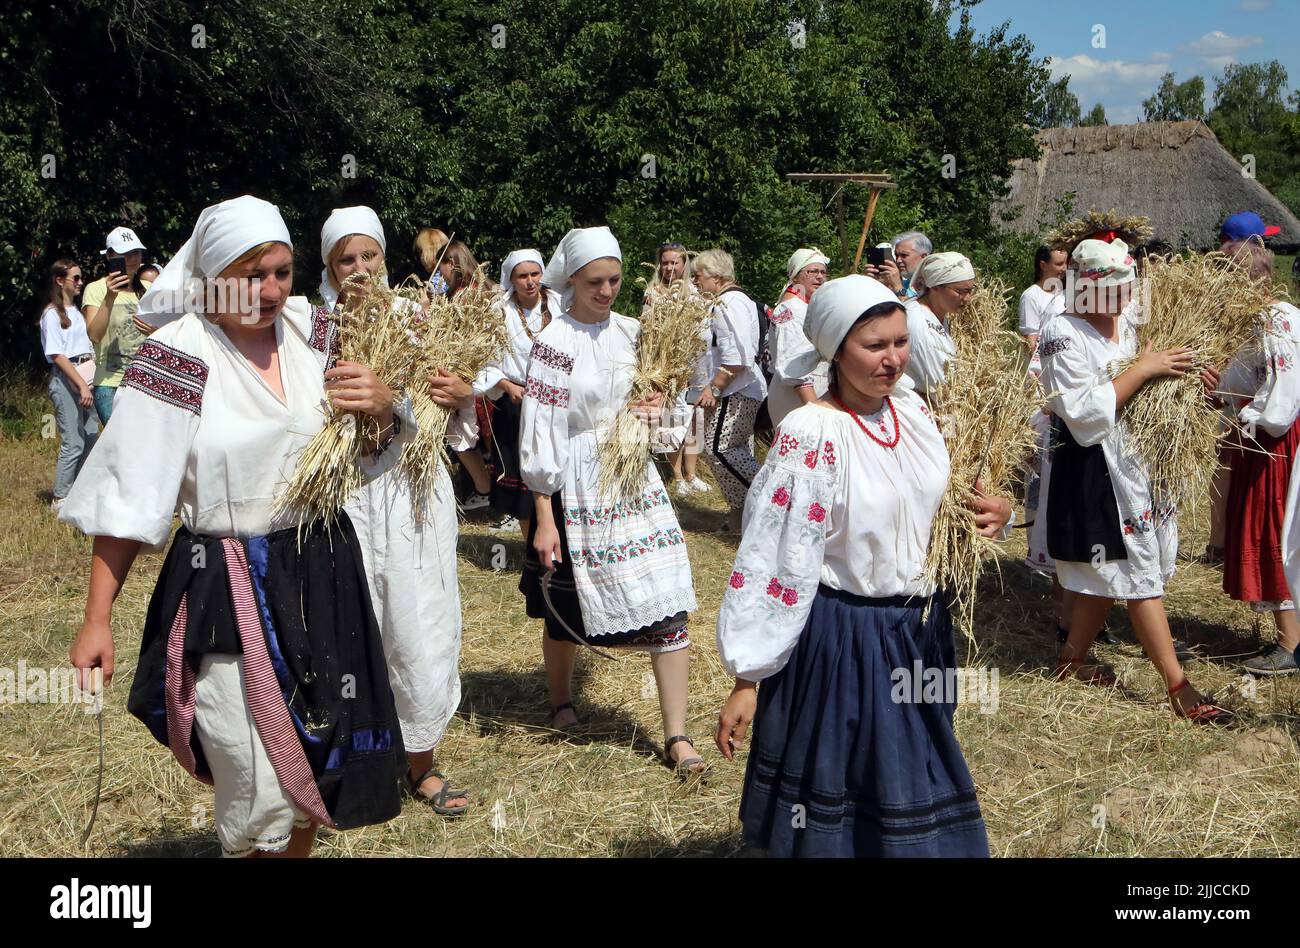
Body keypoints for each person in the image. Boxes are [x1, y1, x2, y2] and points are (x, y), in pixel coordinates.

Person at [63, 195, 412, 856]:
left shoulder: (317, 333)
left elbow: (367, 451)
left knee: (316, 759)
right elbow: (129, 495)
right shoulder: (178, 357)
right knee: (255, 777)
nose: (272, 289)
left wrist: (383, 408)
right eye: (253, 275)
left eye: (282, 271)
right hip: (227, 583)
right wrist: (96, 617)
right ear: (212, 275)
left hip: (321, 573)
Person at [714, 274, 1012, 857]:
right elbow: (774, 555)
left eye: (900, 342)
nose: (892, 359)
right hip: (847, 636)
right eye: (874, 346)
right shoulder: (810, 434)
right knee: (851, 775)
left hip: (921, 628)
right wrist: (748, 677)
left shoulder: (913, 412)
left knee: (917, 762)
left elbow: (933, 503)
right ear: (834, 349)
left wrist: (993, 511)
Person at [518, 226, 705, 774]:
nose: (606, 290)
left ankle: (676, 735)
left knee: (668, 599)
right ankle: (561, 700)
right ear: (571, 280)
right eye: (595, 281)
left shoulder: (636, 332)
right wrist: (544, 518)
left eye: (615, 280)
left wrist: (659, 413)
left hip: (634, 481)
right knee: (563, 607)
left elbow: (674, 424)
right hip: (576, 483)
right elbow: (542, 432)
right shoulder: (554, 345)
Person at [318, 206, 472, 813]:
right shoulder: (311, 328)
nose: (359, 270)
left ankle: (421, 763)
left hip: (411, 495)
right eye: (344, 260)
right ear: (330, 269)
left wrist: (412, 400)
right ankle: (350, 763)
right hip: (346, 495)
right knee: (349, 624)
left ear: (386, 259)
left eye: (369, 257)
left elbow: (450, 411)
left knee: (415, 621)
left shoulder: (419, 318)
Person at [1038, 238, 1227, 722]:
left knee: (1109, 572)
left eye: (1128, 287)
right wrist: (1143, 369)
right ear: (1086, 288)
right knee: (1137, 572)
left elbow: (1164, 389)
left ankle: (1070, 662)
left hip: (1142, 462)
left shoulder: (1133, 319)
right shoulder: (1061, 331)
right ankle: (1178, 687)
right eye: (1115, 289)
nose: (1125, 297)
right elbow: (1079, 411)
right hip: (1099, 466)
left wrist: (1197, 387)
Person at [1204, 243, 1300, 676]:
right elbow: (1244, 378)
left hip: (1276, 442)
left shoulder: (1279, 319)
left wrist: (1246, 414)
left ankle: (1291, 643)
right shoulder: (1253, 320)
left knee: (1275, 528)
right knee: (1269, 527)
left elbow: (1281, 400)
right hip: (1259, 435)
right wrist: (1218, 388)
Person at [474, 249, 564, 532]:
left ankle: (560, 539)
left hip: (557, 401)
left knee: (556, 468)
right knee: (521, 474)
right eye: (522, 276)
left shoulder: (560, 305)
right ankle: (529, 546)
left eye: (535, 274)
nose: (530, 281)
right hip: (516, 403)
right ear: (511, 279)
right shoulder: (500, 311)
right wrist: (507, 385)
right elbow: (482, 358)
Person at [693, 249, 767, 531]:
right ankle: (741, 515)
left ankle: (774, 495)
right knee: (735, 450)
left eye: (699, 276)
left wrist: (714, 387)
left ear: (716, 276)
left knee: (718, 449)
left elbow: (736, 356)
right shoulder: (726, 301)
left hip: (735, 389)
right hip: (732, 388)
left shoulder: (729, 303)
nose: (696, 282)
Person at [1021, 246, 1071, 629]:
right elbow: (1033, 346)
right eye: (1059, 263)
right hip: (1047, 396)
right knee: (1044, 477)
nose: (1064, 267)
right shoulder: (1040, 301)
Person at [642, 242, 709, 496]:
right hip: (669, 367)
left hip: (695, 365)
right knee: (674, 420)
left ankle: (692, 474)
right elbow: (649, 332)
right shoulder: (653, 293)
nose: (670, 267)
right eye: (666, 262)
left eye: (675, 262)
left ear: (684, 264)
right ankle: (677, 475)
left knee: (695, 420)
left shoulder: (695, 292)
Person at [38, 258, 98, 510]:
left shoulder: (77, 313)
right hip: (67, 379)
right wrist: (80, 385)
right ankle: (61, 496)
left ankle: (80, 489)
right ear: (59, 281)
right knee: (73, 441)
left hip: (86, 374)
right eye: (76, 278)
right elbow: (57, 354)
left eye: (81, 278)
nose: (80, 282)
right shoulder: (52, 315)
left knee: (92, 436)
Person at [82, 226, 152, 423]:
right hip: (110, 383)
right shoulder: (95, 289)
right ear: (110, 256)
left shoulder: (149, 289)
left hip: (144, 381)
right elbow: (94, 335)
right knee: (121, 449)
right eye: (125, 253)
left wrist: (156, 330)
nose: (132, 258)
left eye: (136, 252)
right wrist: (110, 297)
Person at [767, 247, 830, 429]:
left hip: (808, 399)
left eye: (823, 272)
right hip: (798, 401)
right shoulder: (792, 310)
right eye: (813, 271)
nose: (820, 277)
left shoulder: (806, 307)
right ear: (795, 277)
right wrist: (816, 410)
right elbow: (796, 366)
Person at [901, 252, 976, 398]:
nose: (968, 298)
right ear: (935, 287)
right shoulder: (919, 325)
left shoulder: (939, 314)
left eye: (970, 290)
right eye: (961, 291)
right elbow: (941, 388)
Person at [865, 231, 931, 299]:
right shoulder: (905, 283)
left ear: (923, 257)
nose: (898, 260)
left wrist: (898, 288)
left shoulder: (934, 284)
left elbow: (912, 309)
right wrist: (878, 284)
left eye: (904, 255)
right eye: (896, 256)